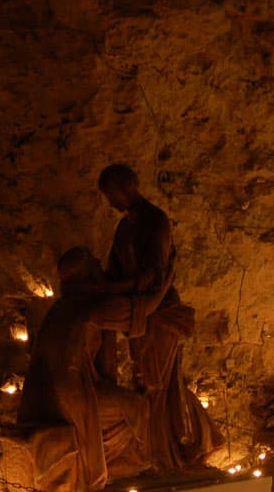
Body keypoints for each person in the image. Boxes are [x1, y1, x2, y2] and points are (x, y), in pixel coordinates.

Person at [97, 164, 222, 471]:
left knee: (159, 383)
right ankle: (155, 452)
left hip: (159, 311)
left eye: (111, 195)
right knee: (144, 382)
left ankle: (172, 452)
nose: (110, 203)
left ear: (126, 187)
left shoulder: (155, 220)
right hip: (138, 314)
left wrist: (111, 286)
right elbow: (116, 269)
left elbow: (152, 275)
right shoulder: (125, 227)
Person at [16, 247, 168, 491]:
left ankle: (115, 460)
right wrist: (163, 279)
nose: (99, 267)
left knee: (118, 406)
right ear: (87, 274)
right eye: (93, 265)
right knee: (138, 406)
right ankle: (131, 463)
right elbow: (143, 309)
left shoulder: (59, 308)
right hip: (73, 390)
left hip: (49, 395)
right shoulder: (90, 308)